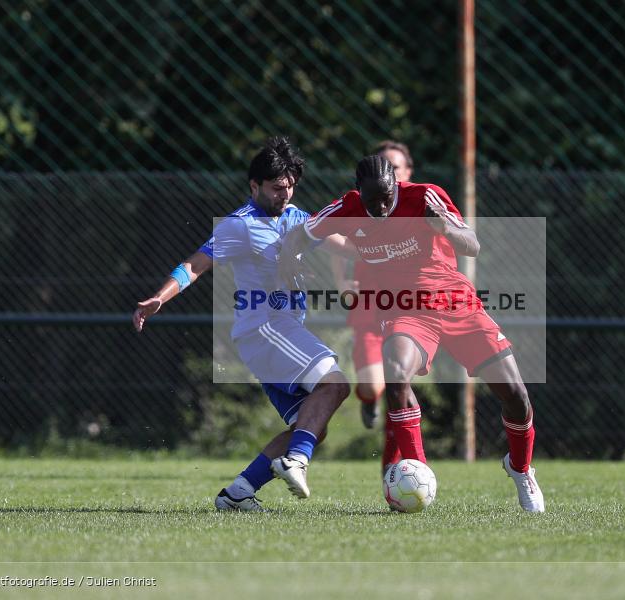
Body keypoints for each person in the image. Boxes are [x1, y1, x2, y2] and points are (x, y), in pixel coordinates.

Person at [279, 154, 545, 513]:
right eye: (372, 201)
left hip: (457, 303)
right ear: (359, 193)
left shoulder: (424, 197)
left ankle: (521, 468)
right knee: (396, 373)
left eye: (387, 198)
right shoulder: (346, 208)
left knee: (515, 394)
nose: (381, 207)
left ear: (397, 186)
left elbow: (472, 245)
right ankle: (418, 469)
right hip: (406, 310)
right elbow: (300, 236)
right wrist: (289, 266)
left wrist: (445, 228)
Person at [133, 137, 351, 511]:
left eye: (290, 186)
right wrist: (160, 297)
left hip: (277, 333)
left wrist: (389, 249)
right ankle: (296, 461)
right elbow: (195, 264)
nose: (285, 194)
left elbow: (342, 243)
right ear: (254, 186)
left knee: (312, 423)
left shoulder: (297, 217)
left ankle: (237, 494)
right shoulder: (241, 225)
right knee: (335, 385)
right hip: (266, 328)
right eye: (276, 187)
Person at [329, 141, 413, 476]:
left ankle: (394, 470)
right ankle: (368, 400)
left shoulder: (418, 204)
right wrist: (341, 282)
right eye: (384, 167)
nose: (388, 175)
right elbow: (331, 235)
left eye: (395, 168)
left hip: (407, 310)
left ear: (407, 173)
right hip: (369, 307)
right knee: (373, 387)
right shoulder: (362, 206)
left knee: (400, 386)